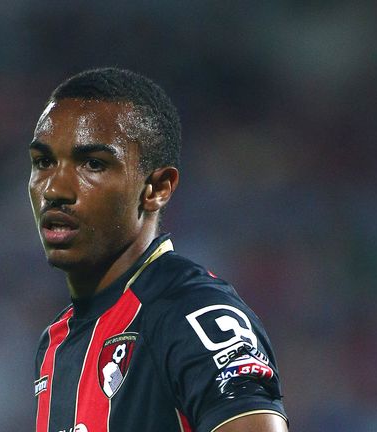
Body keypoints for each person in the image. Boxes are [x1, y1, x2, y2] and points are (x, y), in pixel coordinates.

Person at [29, 67, 288, 432]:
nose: (55, 188)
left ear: (157, 188)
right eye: (43, 162)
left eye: (93, 164)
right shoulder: (56, 342)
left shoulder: (190, 312)